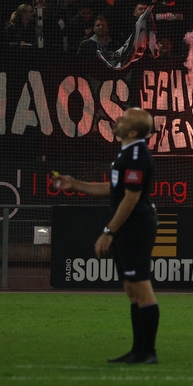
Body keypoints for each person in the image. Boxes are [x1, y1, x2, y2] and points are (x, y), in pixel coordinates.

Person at [53, 108, 161, 364]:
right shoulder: (126, 152)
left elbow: (131, 197)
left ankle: (148, 352)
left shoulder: (136, 154)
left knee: (141, 287)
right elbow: (113, 189)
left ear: (133, 131)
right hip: (130, 226)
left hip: (136, 226)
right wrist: (75, 184)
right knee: (131, 289)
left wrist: (108, 231)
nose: (118, 119)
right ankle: (138, 350)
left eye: (124, 118)